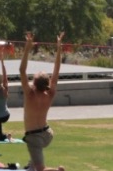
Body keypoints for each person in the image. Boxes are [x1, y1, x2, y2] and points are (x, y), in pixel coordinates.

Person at [19, 31, 65, 171]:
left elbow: (22, 71)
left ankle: (59, 170)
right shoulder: (50, 93)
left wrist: (27, 47)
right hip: (48, 134)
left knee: (40, 169)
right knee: (33, 164)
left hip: (34, 138)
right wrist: (59, 48)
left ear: (34, 83)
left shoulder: (30, 94)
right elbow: (57, 70)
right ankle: (31, 164)